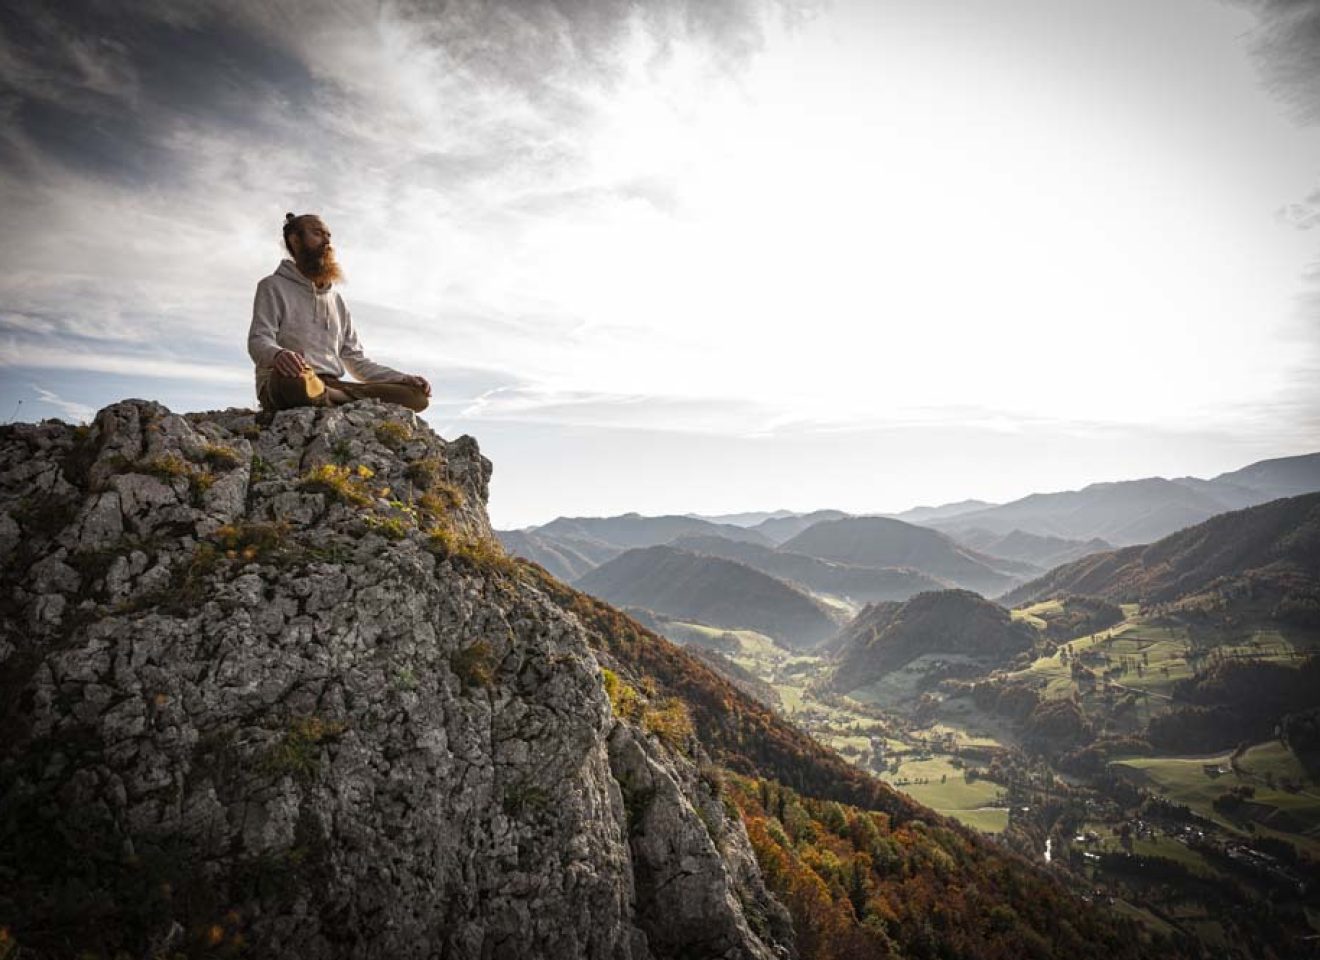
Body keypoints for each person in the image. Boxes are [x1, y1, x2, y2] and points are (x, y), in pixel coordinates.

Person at [248, 213, 431, 414]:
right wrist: (278, 354)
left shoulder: (336, 300)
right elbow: (259, 340)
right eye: (317, 233)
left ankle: (333, 398)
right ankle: (343, 402)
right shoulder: (272, 286)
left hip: (333, 385)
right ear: (295, 240)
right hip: (293, 380)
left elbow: (356, 360)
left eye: (328, 235)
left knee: (416, 396)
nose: (327, 241)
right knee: (291, 381)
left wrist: (402, 378)